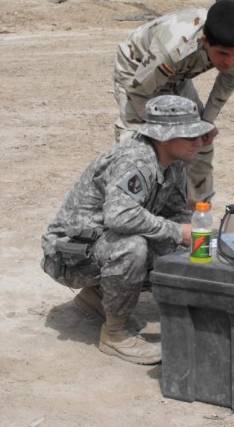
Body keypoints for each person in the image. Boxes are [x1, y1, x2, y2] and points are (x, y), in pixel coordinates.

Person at [40, 95, 214, 365]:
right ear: (164, 137)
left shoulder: (174, 162)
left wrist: (192, 237)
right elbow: (120, 217)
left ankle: (97, 296)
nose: (199, 142)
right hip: (70, 255)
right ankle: (115, 334)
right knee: (133, 248)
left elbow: (175, 212)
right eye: (190, 136)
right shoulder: (137, 160)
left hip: (98, 244)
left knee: (179, 245)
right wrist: (180, 233)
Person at [113, 0, 234, 209]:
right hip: (138, 70)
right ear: (206, 41)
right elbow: (139, 91)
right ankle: (129, 213)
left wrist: (206, 121)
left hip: (178, 76)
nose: (230, 61)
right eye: (223, 54)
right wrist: (166, 133)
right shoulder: (174, 47)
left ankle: (195, 214)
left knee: (200, 140)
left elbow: (228, 80)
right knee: (139, 144)